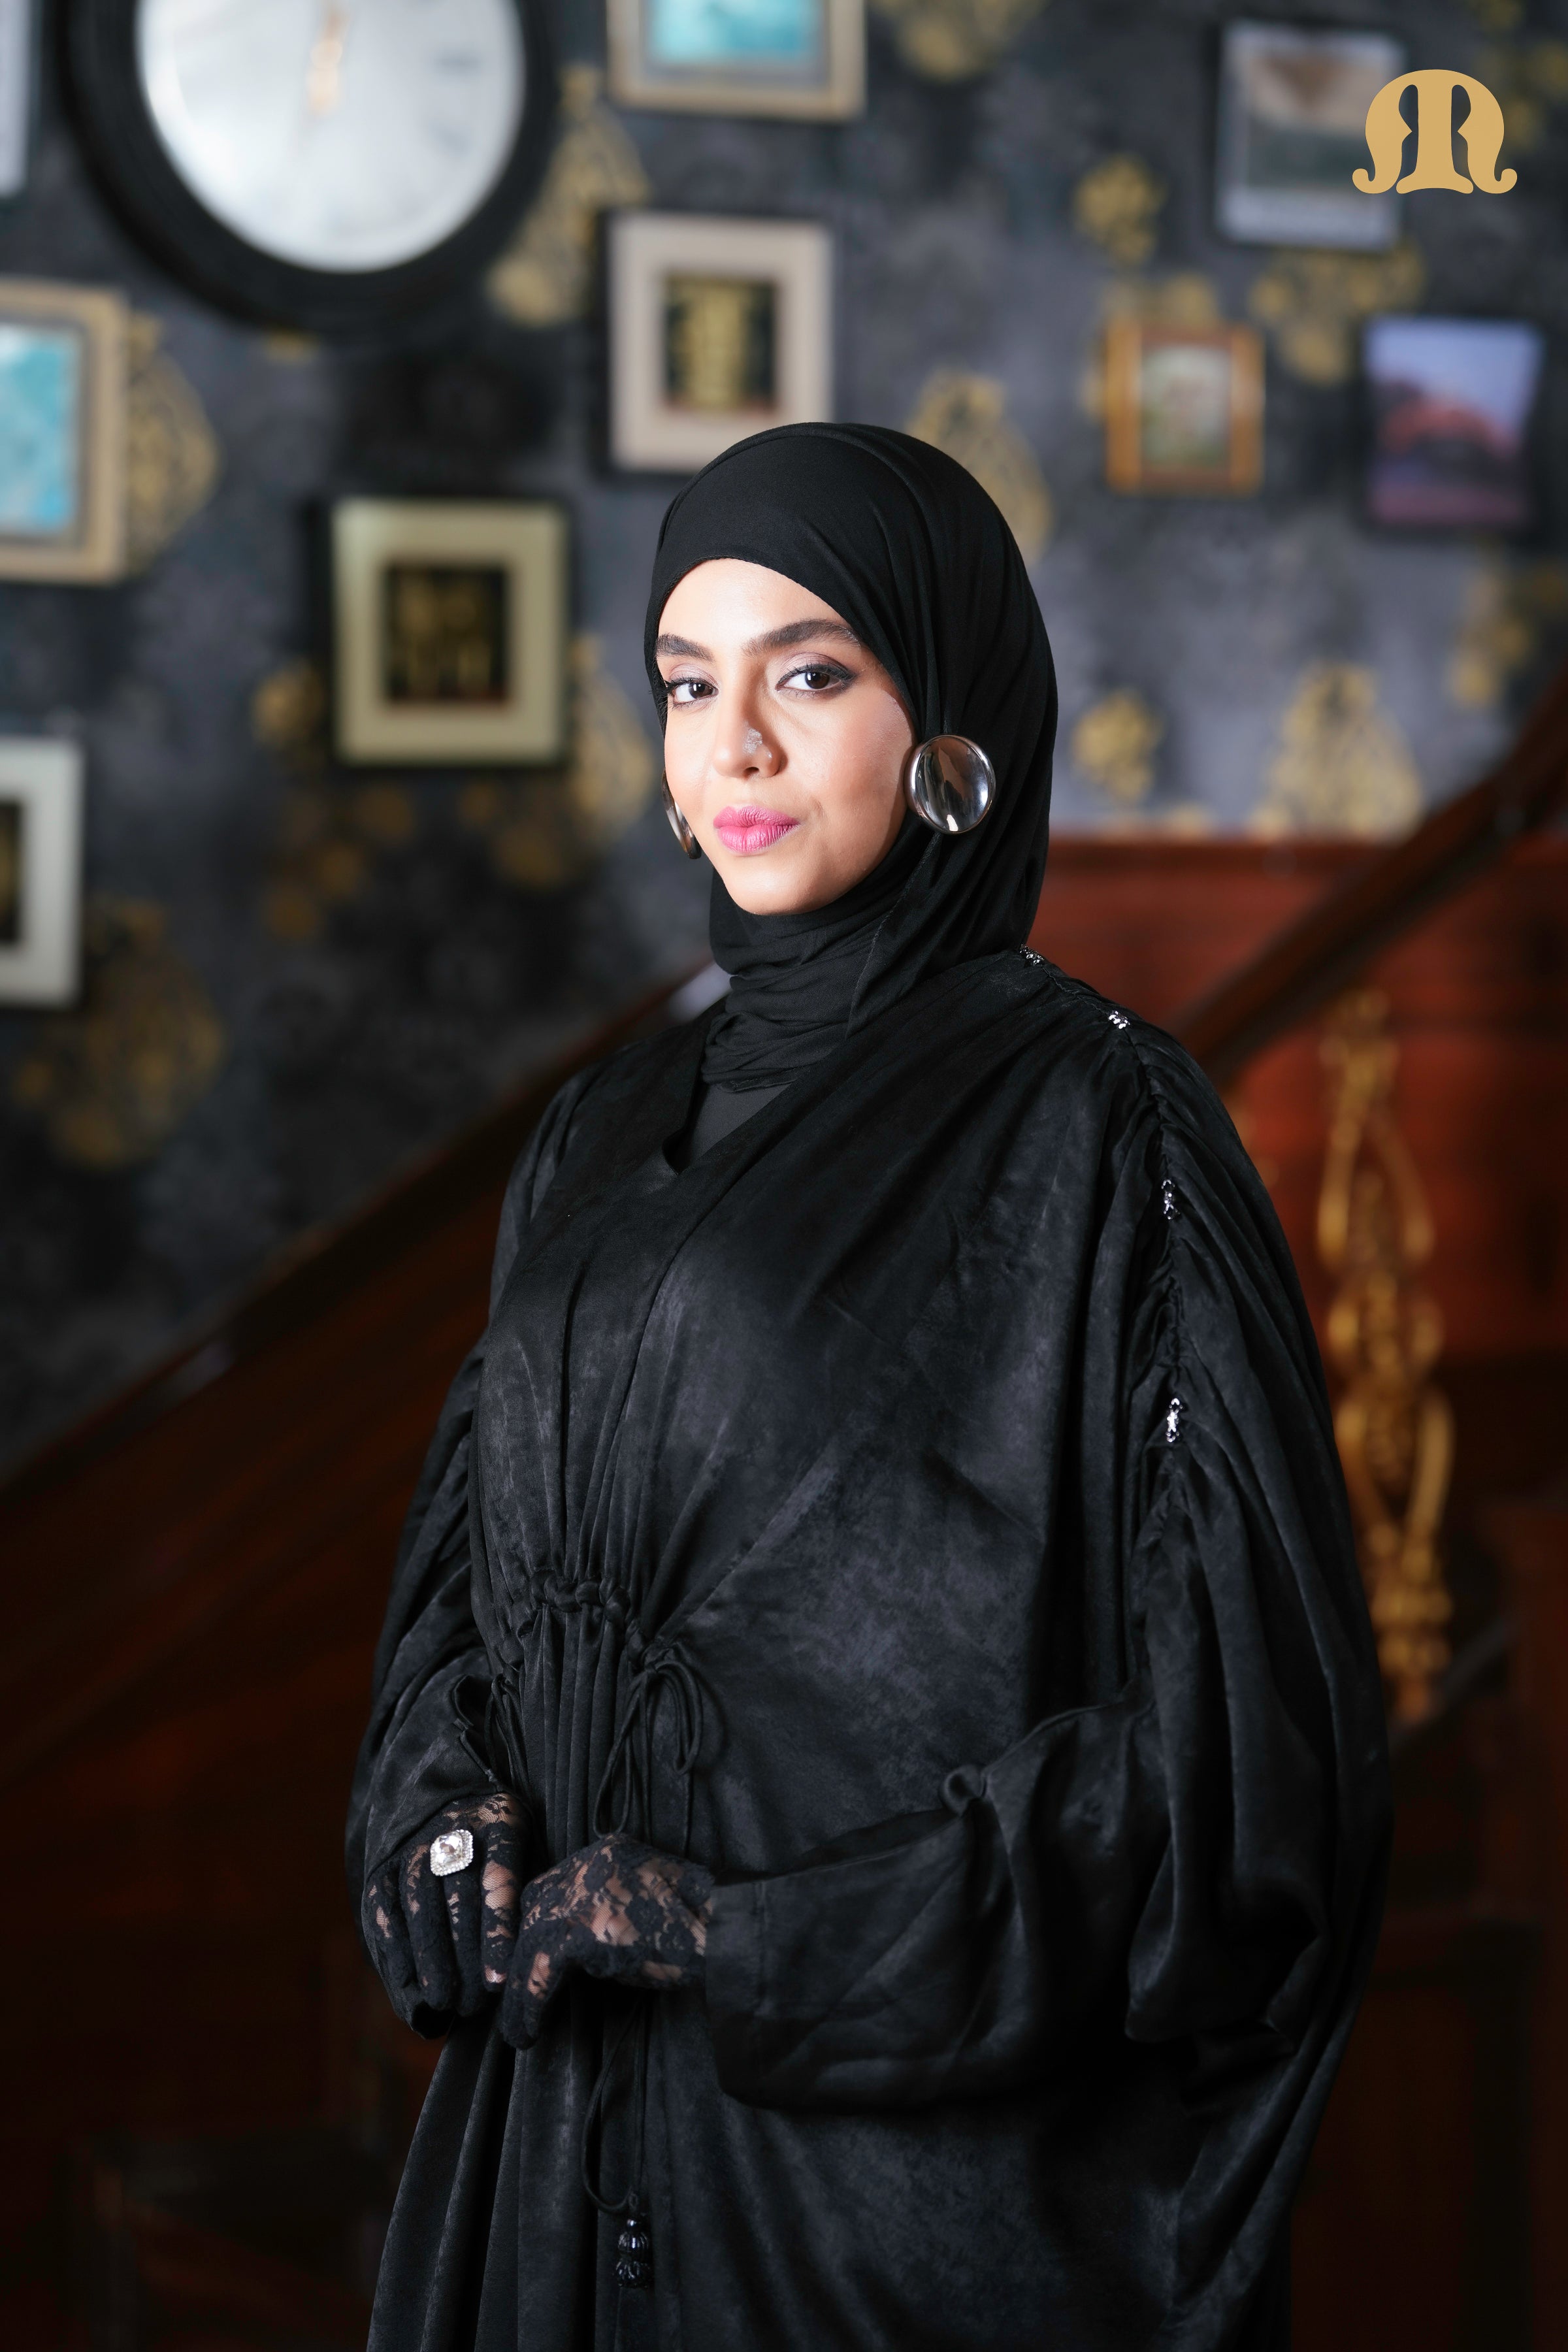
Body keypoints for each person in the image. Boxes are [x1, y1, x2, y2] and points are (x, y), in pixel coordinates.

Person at [348, 424, 1389, 2352]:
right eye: (688, 685)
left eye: (810, 674)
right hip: (557, 2167)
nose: (733, 746)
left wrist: (746, 1935)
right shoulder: (596, 1134)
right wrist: (443, 1809)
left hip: (882, 2224)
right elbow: (465, 1597)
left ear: (950, 727)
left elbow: (1241, 1765)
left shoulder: (1100, 1121)